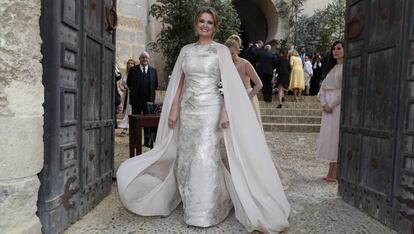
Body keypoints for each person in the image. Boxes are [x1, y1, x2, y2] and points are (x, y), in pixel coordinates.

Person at [117, 6, 290, 233]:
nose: (205, 25)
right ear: (196, 24)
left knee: (205, 156)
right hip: (188, 111)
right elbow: (180, 81)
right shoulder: (186, 51)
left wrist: (226, 111)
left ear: (215, 27)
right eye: (202, 21)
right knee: (188, 156)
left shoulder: (220, 51)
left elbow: (228, 85)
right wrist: (173, 109)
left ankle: (205, 211)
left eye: (210, 22)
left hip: (211, 109)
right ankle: (193, 203)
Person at [316, 41, 344, 182]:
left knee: (336, 136)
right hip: (327, 108)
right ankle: (331, 169)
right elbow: (321, 90)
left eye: (339, 48)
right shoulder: (331, 69)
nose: (335, 51)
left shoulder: (346, 68)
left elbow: (345, 90)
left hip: (337, 107)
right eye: (334, 49)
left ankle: (335, 170)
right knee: (329, 136)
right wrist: (324, 103)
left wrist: (331, 104)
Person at [127, 52, 158, 147]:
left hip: (148, 101)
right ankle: (135, 141)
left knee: (148, 122)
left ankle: (147, 141)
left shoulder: (153, 70)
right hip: (136, 101)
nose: (145, 59)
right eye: (143, 57)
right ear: (139, 59)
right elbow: (129, 83)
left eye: (146, 58)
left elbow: (155, 84)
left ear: (148, 59)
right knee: (135, 121)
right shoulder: (133, 70)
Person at [118, 59, 136, 136]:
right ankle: (127, 128)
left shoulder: (136, 73)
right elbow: (121, 84)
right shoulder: (125, 74)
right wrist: (123, 88)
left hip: (133, 95)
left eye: (132, 63)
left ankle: (126, 128)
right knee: (125, 111)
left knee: (130, 111)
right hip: (126, 95)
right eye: (129, 63)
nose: (130, 64)